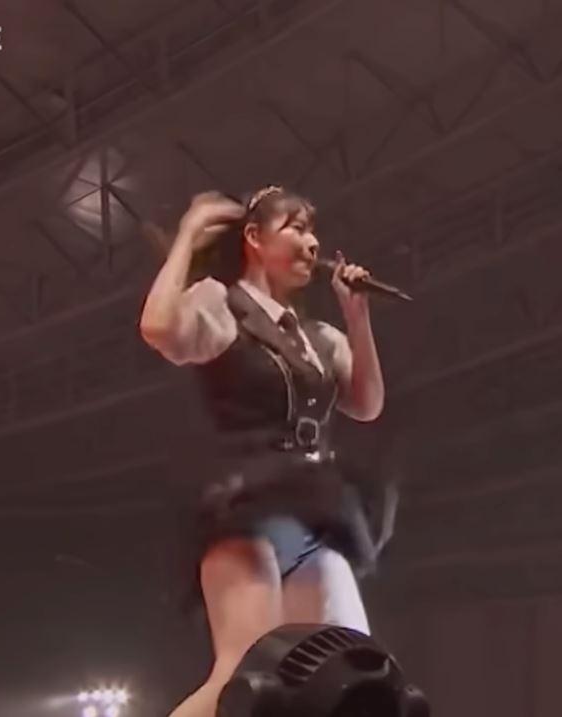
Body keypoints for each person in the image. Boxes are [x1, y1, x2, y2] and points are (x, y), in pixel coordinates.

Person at [140, 186, 390, 717]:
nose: (312, 242)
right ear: (254, 238)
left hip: (316, 516)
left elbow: (366, 404)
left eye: (312, 230)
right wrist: (188, 235)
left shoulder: (318, 338)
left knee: (347, 674)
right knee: (245, 680)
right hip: (246, 512)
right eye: (295, 228)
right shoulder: (221, 305)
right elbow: (159, 328)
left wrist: (357, 316)